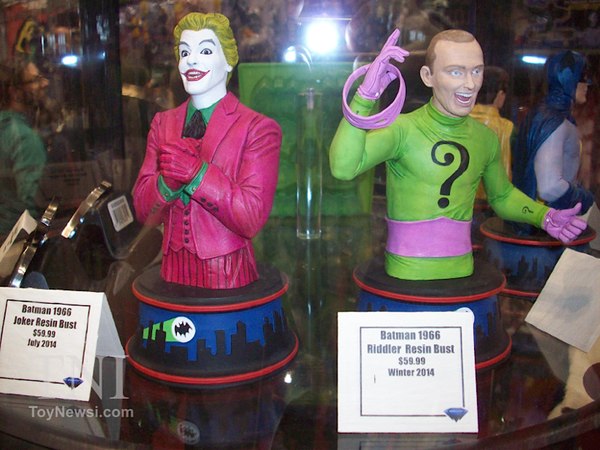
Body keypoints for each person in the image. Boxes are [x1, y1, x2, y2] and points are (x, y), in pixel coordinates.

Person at [329, 29, 586, 281]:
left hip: (462, 271)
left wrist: (544, 216)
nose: (470, 84)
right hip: (404, 271)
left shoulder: (485, 138)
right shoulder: (402, 130)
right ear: (428, 76)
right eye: (456, 72)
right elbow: (343, 168)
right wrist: (364, 96)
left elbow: (502, 196)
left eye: (477, 71)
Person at [132, 13, 281, 289]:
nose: (191, 60)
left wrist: (197, 174)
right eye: (184, 52)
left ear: (229, 60)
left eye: (205, 51)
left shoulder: (257, 129)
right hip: (172, 271)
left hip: (228, 273)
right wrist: (166, 184)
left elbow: (250, 218)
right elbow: (144, 212)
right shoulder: (163, 124)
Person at [512, 50, 594, 215]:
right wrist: (584, 200)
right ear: (566, 78)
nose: (588, 84)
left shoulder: (545, 116)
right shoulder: (554, 122)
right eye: (582, 77)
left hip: (541, 216)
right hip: (547, 219)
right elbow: (549, 187)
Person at [0, 57, 48, 239]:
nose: (45, 83)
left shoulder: (6, 128)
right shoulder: (24, 138)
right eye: (35, 80)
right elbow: (31, 203)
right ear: (15, 92)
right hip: (16, 238)